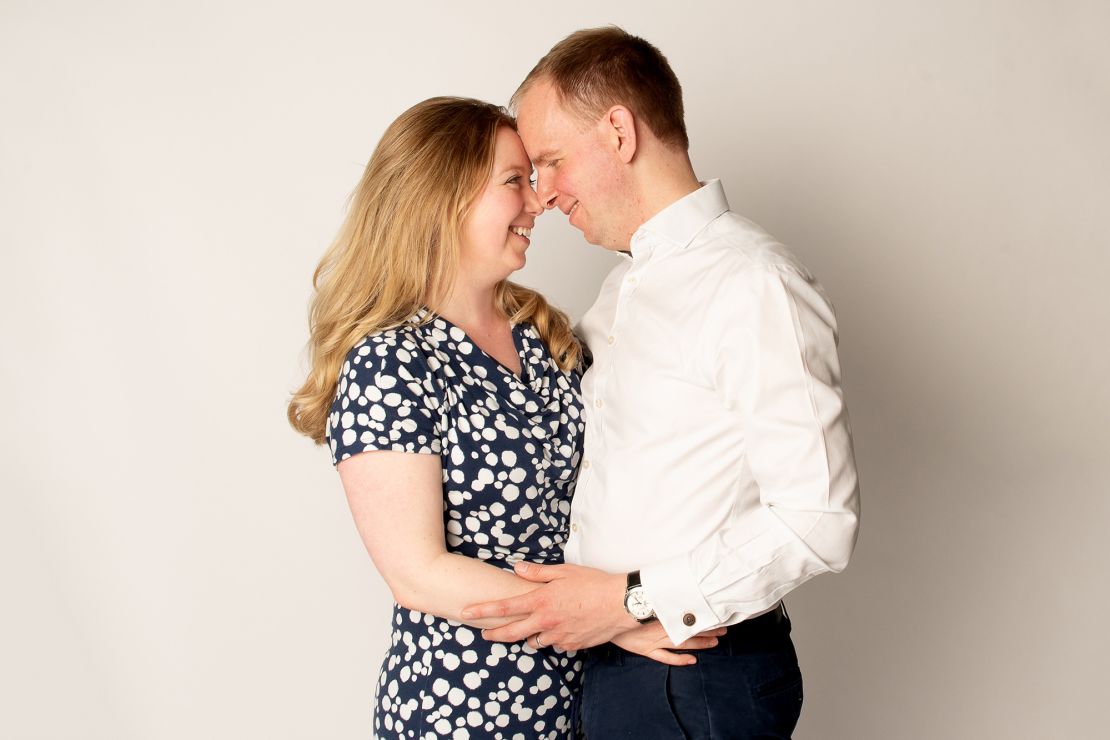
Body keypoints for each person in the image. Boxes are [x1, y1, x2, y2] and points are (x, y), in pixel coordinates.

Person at [461, 28, 862, 738]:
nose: (543, 194)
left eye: (551, 161)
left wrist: (634, 601)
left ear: (619, 132)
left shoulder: (753, 283)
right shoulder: (622, 292)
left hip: (694, 677)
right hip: (617, 668)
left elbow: (817, 520)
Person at [287, 97, 722, 739]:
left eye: (536, 178)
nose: (539, 200)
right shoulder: (391, 363)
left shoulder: (542, 335)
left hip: (587, 695)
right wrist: (614, 615)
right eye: (514, 180)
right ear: (444, 196)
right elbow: (417, 574)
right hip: (466, 710)